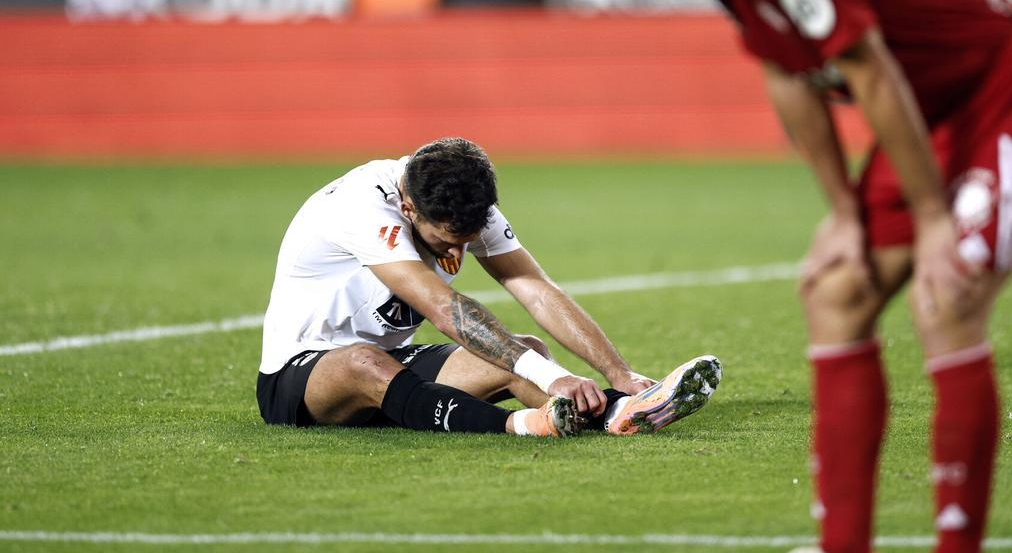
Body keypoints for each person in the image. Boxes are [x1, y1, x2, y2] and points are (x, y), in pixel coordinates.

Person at [588, 0, 1012, 553]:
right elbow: (789, 77)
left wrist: (933, 220)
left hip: (1005, 91)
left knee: (947, 297)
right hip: (931, 111)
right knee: (836, 292)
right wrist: (844, 213)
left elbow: (871, 75)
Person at [257, 136, 721, 439]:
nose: (456, 249)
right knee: (366, 362)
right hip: (301, 375)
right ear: (408, 207)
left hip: (397, 362)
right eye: (445, 239)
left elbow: (531, 283)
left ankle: (619, 414)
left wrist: (618, 371)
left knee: (524, 352)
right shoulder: (361, 208)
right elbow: (443, 309)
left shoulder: (465, 203)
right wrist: (551, 377)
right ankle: (521, 426)